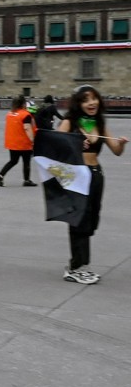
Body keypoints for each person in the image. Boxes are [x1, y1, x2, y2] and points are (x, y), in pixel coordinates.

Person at [57, 86, 127, 284]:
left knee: (91, 219)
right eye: (87, 100)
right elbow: (56, 148)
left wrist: (121, 143)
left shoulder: (99, 123)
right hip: (77, 175)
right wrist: (75, 145)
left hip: (96, 175)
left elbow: (116, 150)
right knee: (79, 220)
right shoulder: (69, 123)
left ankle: (81, 265)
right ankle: (76, 266)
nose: (92, 103)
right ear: (79, 103)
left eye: (95, 99)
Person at [0, 95, 36, 187]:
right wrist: (33, 140)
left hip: (12, 142)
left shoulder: (10, 114)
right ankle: (27, 180)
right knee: (26, 161)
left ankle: (0, 176)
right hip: (23, 143)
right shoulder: (25, 115)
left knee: (13, 161)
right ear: (23, 104)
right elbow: (27, 128)